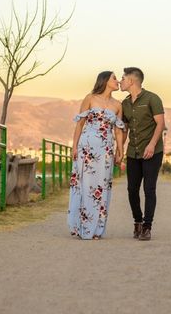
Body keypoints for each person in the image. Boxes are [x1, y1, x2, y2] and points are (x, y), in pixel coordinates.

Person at [67, 71, 125, 240]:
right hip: (87, 147)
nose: (118, 81)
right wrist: (74, 147)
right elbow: (79, 124)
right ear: (105, 80)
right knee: (84, 185)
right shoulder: (90, 98)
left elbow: (118, 131)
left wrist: (120, 150)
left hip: (106, 149)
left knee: (102, 187)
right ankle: (81, 227)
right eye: (114, 78)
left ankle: (96, 229)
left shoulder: (118, 105)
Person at [120, 67, 165, 241]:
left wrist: (152, 145)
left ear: (131, 81)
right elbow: (124, 130)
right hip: (133, 152)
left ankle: (147, 226)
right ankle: (137, 221)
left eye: (123, 78)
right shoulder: (124, 103)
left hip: (153, 152)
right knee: (132, 190)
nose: (121, 81)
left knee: (149, 189)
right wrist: (120, 151)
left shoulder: (152, 99)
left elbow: (160, 124)